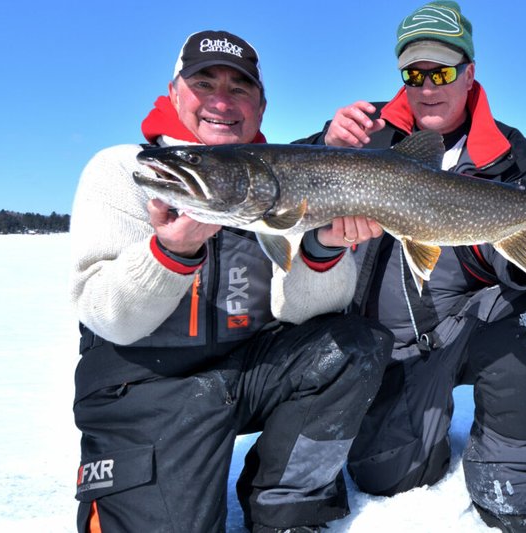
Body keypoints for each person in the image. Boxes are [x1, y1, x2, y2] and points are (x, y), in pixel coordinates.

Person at [69, 30, 392, 533]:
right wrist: (170, 253)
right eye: (204, 83)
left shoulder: (286, 178)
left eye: (239, 88)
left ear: (261, 106)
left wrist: (324, 250)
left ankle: (288, 507)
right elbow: (107, 314)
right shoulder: (124, 170)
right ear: (175, 92)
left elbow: (307, 314)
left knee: (353, 345)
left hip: (246, 372)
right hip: (146, 385)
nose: (221, 101)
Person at [298, 3, 526, 531]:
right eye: (414, 73)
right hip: (385, 345)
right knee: (392, 474)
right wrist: (324, 145)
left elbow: (525, 269)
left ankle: (512, 477)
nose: (428, 86)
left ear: (469, 72)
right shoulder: (362, 135)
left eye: (443, 72)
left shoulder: (511, 154)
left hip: (468, 326)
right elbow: (288, 180)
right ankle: (418, 433)